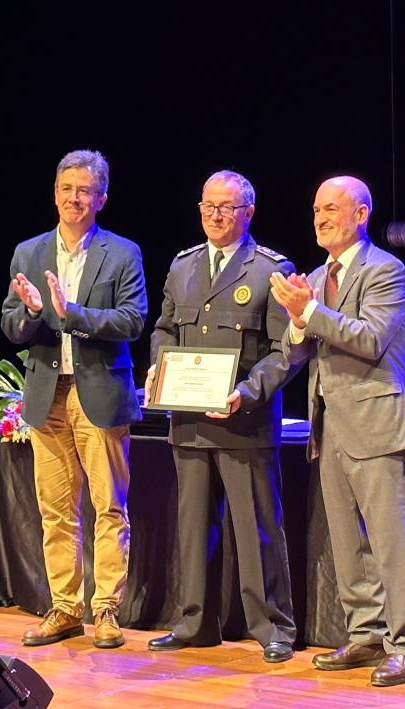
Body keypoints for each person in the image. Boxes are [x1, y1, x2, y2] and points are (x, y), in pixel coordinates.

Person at [268, 175, 405, 686]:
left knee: (389, 542)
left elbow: (370, 338)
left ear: (361, 214)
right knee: (346, 541)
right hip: (330, 424)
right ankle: (364, 634)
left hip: (378, 424)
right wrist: (297, 322)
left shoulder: (387, 270)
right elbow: (298, 352)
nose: (320, 217)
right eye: (316, 209)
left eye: (332, 208)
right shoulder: (314, 276)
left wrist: (308, 311)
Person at [145, 170, 298, 663]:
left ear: (248, 213)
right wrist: (158, 368)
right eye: (208, 205)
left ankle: (272, 627)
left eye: (226, 207)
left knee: (256, 530)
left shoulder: (269, 269)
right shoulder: (183, 266)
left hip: (243, 422)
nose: (214, 215)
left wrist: (247, 393)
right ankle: (194, 623)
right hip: (189, 422)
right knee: (192, 528)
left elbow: (286, 351)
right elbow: (164, 328)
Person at [0, 149, 147, 649]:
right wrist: (34, 313)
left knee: (109, 507)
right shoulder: (29, 251)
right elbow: (11, 324)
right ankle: (65, 608)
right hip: (47, 394)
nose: (74, 198)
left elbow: (132, 320)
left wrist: (74, 312)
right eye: (66, 189)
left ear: (101, 198)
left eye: (84, 190)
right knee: (55, 509)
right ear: (54, 193)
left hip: (99, 393)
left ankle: (105, 610)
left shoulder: (122, 253)